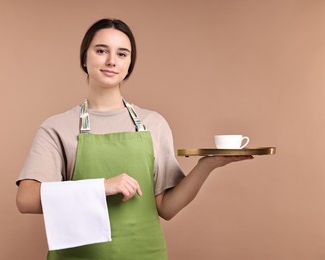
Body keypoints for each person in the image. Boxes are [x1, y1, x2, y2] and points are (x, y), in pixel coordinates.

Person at [16, 18, 253, 260]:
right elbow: (25, 199)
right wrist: (102, 187)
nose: (111, 61)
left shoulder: (154, 124)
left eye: (122, 54)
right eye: (101, 51)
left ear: (129, 65)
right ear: (84, 58)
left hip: (146, 254)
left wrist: (206, 166)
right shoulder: (57, 127)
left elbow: (166, 208)